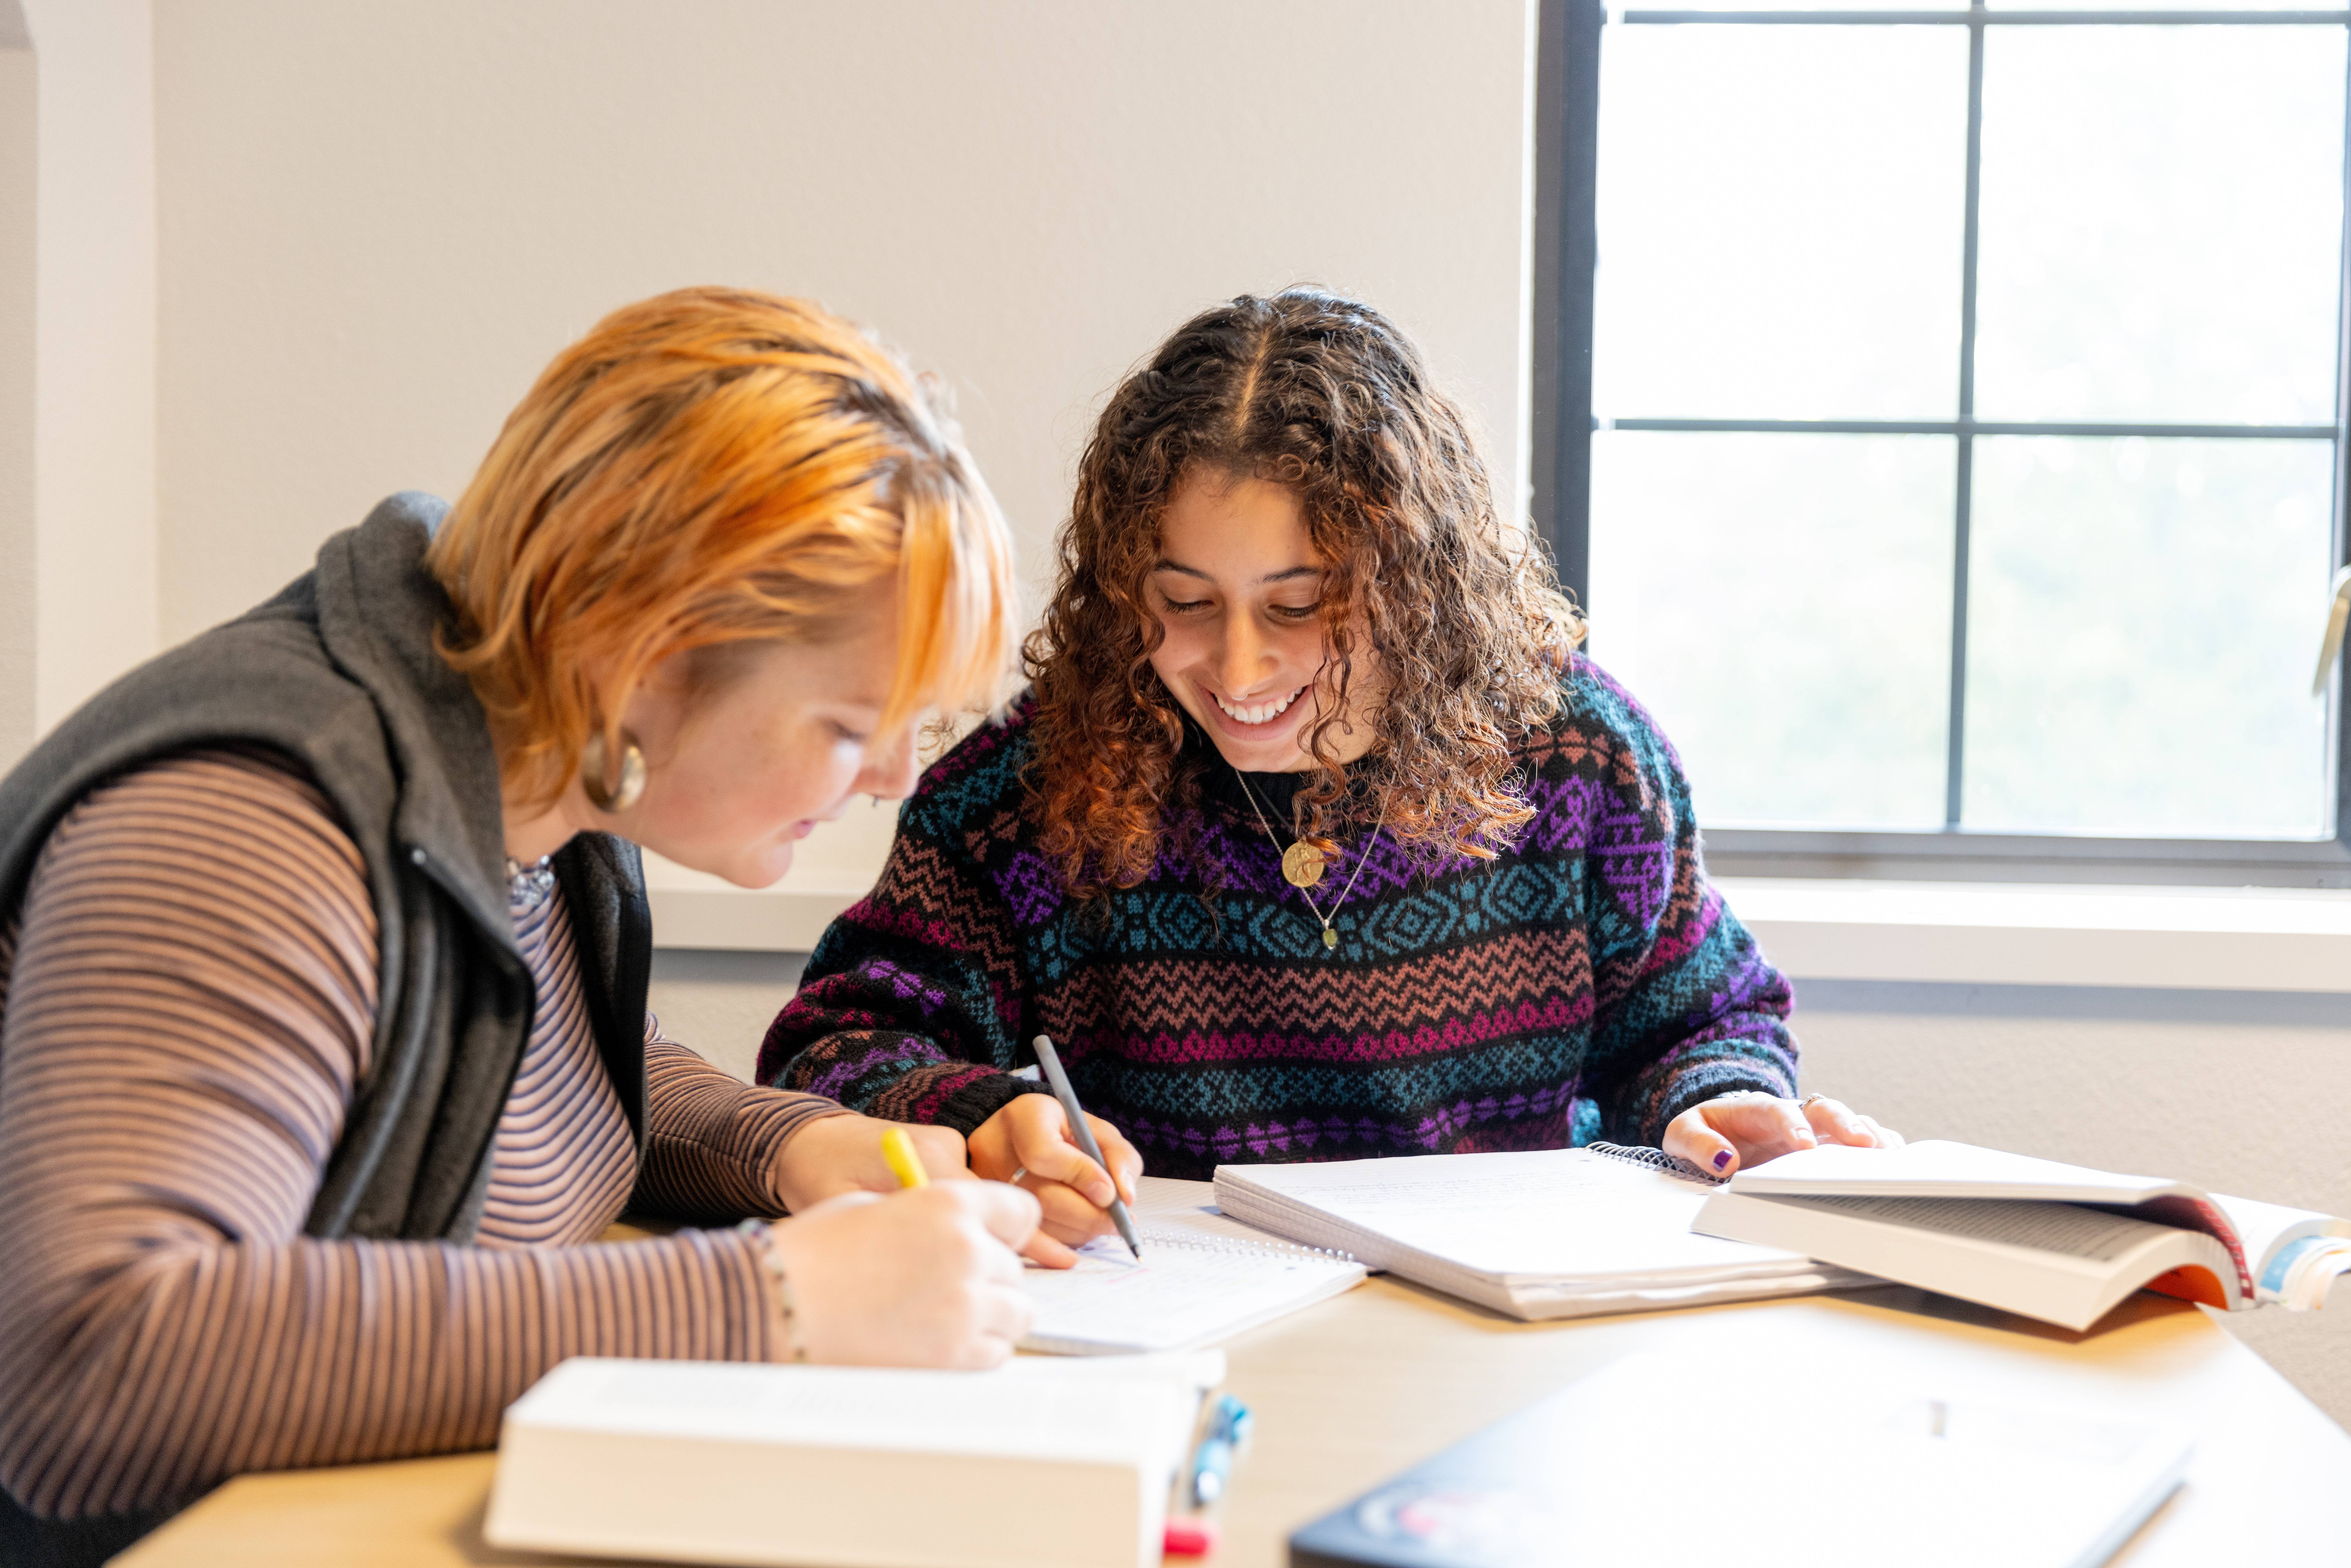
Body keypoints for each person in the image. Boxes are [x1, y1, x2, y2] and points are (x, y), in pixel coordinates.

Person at [0, 288, 1043, 1566]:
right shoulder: (249, 822)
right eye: (849, 724)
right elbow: (93, 1353)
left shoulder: (549, 779)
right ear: (644, 653)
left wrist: (795, 1143)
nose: (892, 777)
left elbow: (541, 1074)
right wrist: (770, 1298)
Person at [761, 288, 1900, 1258]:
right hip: (1181, 1316)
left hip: (1510, 1322)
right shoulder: (1035, 786)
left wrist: (1719, 1100)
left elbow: (1697, 1018)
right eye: (1184, 601)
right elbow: (835, 1047)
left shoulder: (1578, 759)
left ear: (1416, 587)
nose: (1237, 667)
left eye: (1300, 606)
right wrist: (979, 1113)